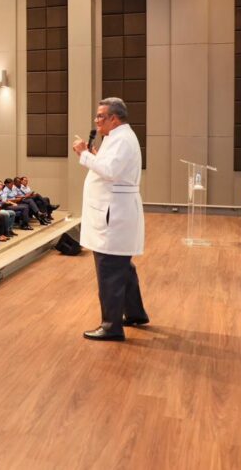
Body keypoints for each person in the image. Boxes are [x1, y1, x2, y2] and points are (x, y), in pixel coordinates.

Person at [73, 97, 148, 341]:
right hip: (113, 211)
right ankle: (135, 313)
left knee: (110, 270)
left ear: (114, 119)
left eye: (100, 117)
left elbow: (110, 171)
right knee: (122, 268)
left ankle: (111, 326)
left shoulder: (122, 139)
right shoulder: (117, 138)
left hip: (112, 214)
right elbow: (109, 165)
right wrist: (95, 156)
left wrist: (85, 155)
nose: (96, 121)